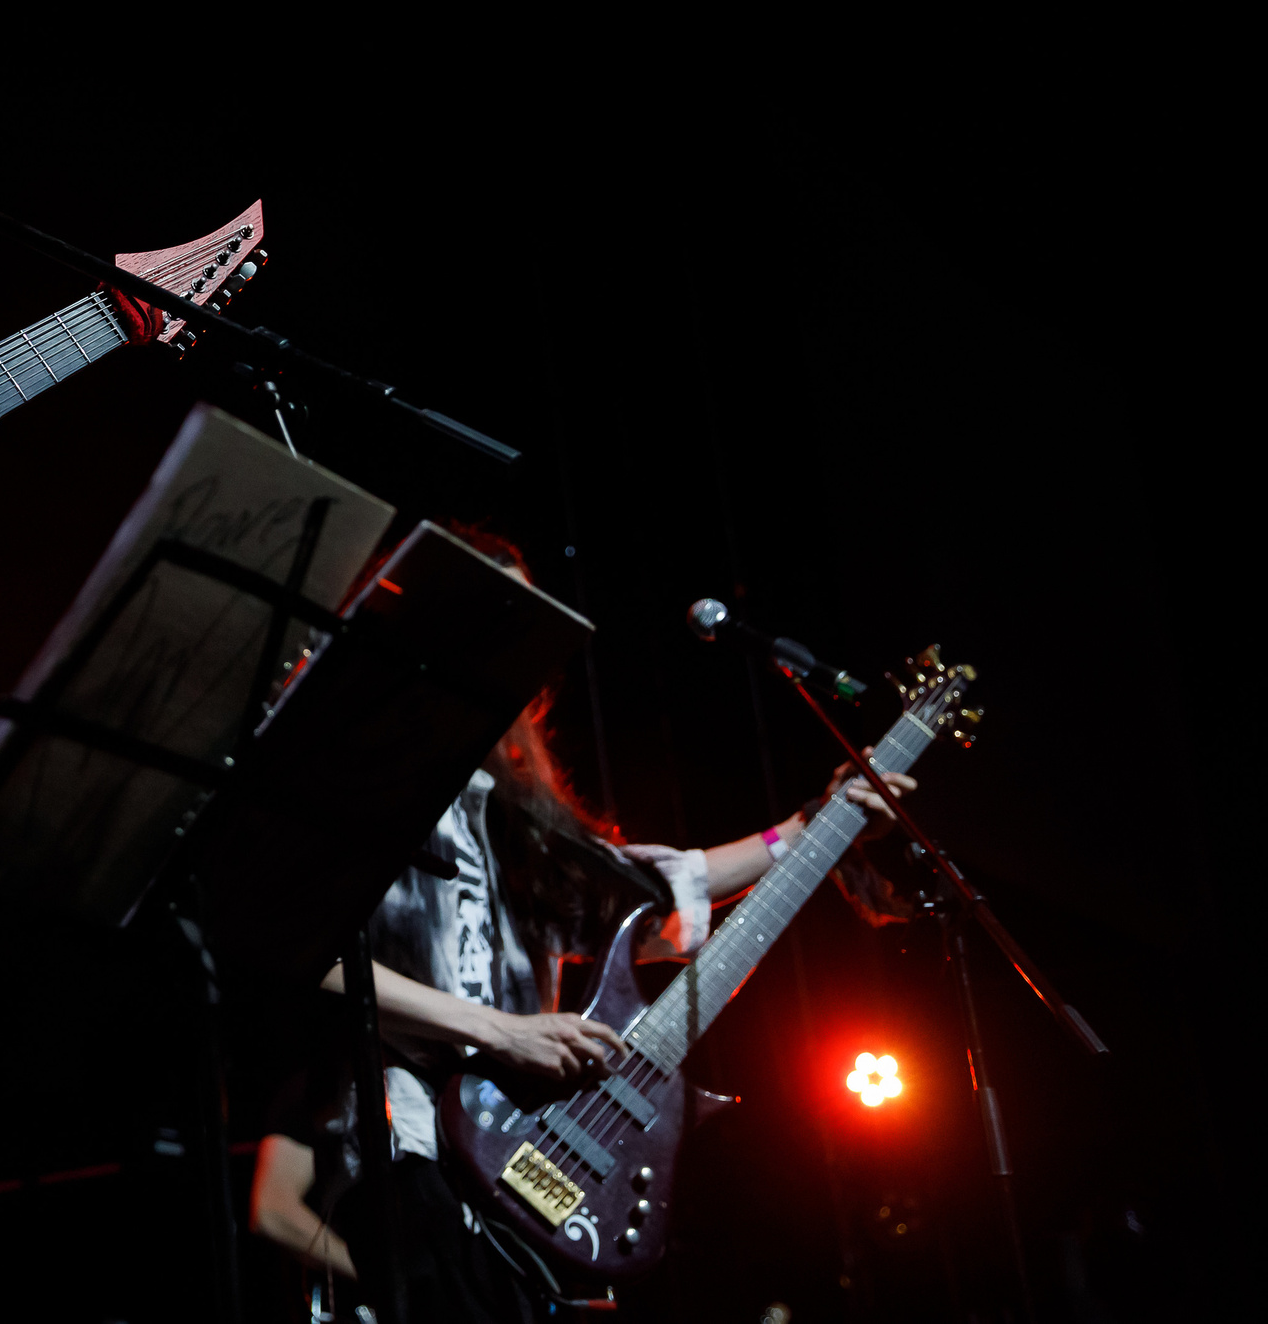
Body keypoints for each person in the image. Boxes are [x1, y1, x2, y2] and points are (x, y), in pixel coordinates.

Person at [248, 532, 915, 1321]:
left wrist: (809, 824)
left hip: (518, 1157)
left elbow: (661, 885)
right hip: (407, 1148)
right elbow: (289, 939)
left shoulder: (520, 816)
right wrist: (498, 1029)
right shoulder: (355, 776)